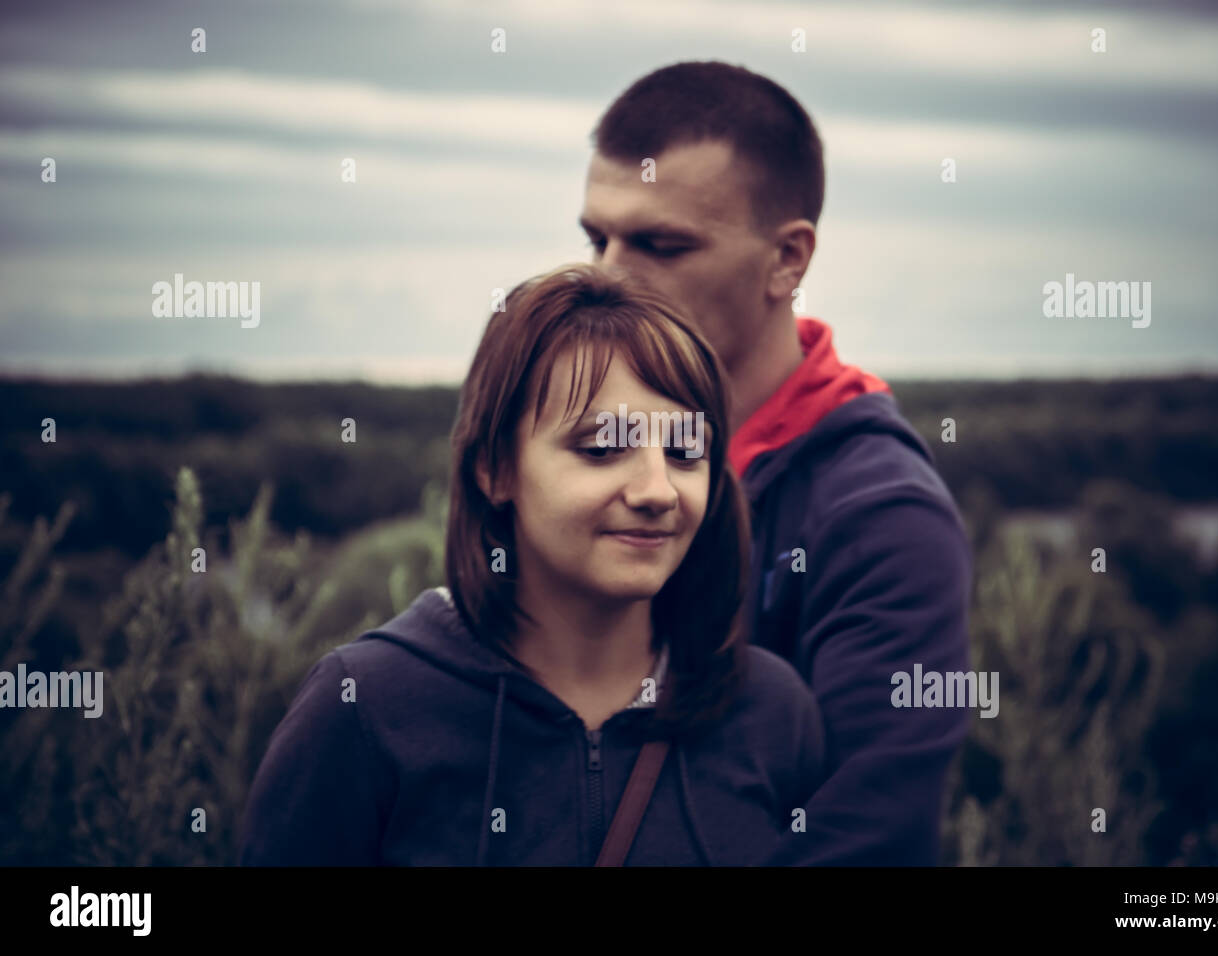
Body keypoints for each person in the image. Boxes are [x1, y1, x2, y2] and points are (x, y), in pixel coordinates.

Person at [238, 263, 826, 866]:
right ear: (495, 467)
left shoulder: (772, 713)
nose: (658, 490)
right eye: (601, 448)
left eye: (684, 450)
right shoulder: (364, 707)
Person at [579, 61, 973, 865]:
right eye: (597, 237)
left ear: (788, 260)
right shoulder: (569, 462)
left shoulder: (882, 518)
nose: (607, 277)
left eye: (660, 244)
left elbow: (867, 844)